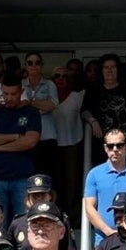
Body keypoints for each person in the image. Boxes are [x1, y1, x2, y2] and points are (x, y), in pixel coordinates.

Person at [0, 75, 43, 223]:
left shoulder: (31, 112)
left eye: (13, 94)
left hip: (22, 176)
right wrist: (16, 136)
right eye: (5, 94)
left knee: (24, 222)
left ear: (21, 91)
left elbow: (30, 141)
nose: (9, 98)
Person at [84, 127, 126, 245]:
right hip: (103, 240)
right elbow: (89, 208)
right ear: (105, 148)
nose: (115, 149)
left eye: (119, 145)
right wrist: (109, 232)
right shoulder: (94, 174)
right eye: (110, 146)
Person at [83, 53, 126, 160]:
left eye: (113, 67)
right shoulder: (93, 90)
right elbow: (84, 110)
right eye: (106, 67)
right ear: (101, 70)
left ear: (118, 69)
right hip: (101, 144)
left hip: (125, 143)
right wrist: (92, 120)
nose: (109, 70)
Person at [50, 64, 87, 225]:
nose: (61, 79)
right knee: (55, 182)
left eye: (65, 76)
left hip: (73, 144)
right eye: (57, 76)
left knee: (72, 183)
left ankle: (73, 218)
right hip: (52, 145)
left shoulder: (78, 96)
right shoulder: (47, 98)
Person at [21, 51, 60, 176]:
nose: (34, 65)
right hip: (25, 134)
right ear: (25, 66)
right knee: (28, 174)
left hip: (47, 136)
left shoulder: (50, 84)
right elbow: (18, 106)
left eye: (37, 63)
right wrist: (40, 104)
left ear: (42, 65)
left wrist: (30, 102)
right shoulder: (20, 85)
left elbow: (52, 105)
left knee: (48, 175)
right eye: (30, 63)